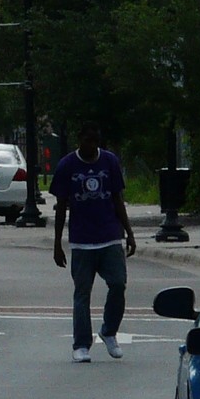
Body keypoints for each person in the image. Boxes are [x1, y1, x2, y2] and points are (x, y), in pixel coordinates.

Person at [50, 122, 136, 362]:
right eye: (87, 141)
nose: (91, 146)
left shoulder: (109, 162)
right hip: (82, 240)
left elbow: (118, 199)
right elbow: (60, 207)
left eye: (95, 141)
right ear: (79, 140)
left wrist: (129, 232)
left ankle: (109, 331)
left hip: (110, 236)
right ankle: (81, 344)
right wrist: (58, 244)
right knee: (82, 293)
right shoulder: (67, 165)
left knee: (118, 284)